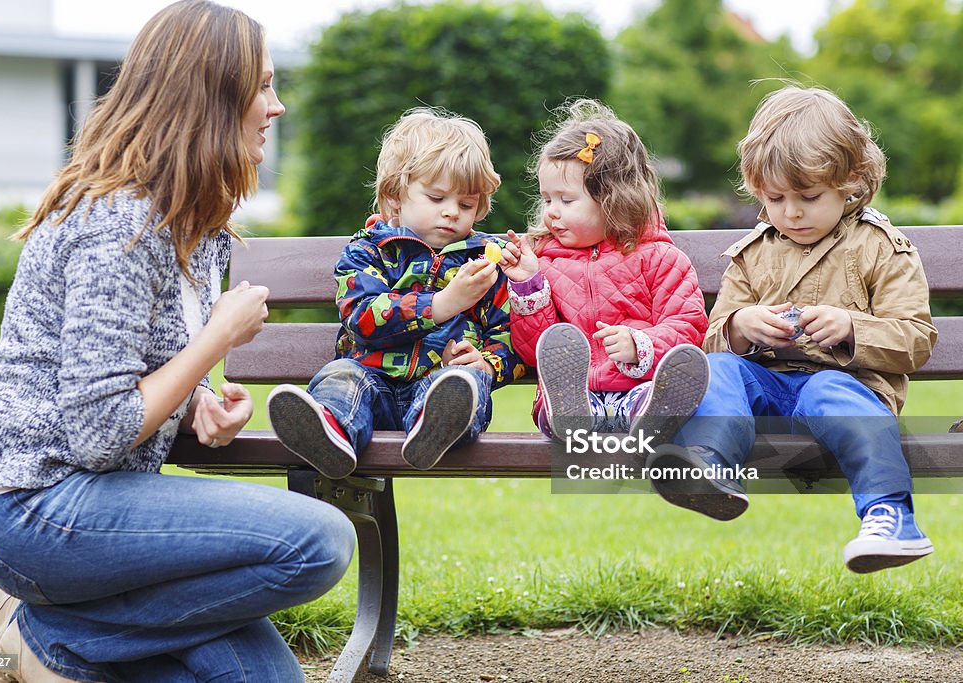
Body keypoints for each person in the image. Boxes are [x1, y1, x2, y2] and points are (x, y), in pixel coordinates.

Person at [0, 2, 355, 681]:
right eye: (261, 86)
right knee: (319, 541)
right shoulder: (120, 223)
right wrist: (215, 340)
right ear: (210, 96)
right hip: (33, 506)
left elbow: (132, 368)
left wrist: (199, 400)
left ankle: (72, 644)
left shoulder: (191, 222)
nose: (277, 106)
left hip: (99, 510)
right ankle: (45, 631)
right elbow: (98, 431)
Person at [648, 85, 937, 574]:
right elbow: (714, 334)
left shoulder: (881, 247)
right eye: (776, 198)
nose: (792, 212)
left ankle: (891, 515)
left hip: (848, 388)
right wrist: (742, 326)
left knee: (829, 390)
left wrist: (851, 327)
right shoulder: (753, 253)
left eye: (808, 196)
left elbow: (915, 338)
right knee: (718, 368)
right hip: (768, 386)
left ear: (852, 180)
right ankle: (708, 465)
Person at [267, 107, 524, 479]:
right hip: (373, 386)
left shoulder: (486, 262)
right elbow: (362, 316)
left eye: (466, 204)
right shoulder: (368, 251)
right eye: (437, 199)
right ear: (395, 196)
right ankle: (330, 436)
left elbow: (511, 334)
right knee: (341, 375)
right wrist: (442, 304)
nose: (452, 212)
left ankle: (433, 430)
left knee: (463, 384)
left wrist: (487, 362)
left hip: (438, 387)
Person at [498, 99, 710, 446]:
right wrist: (527, 284)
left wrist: (640, 347)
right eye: (547, 199)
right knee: (558, 407)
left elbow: (687, 329)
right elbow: (536, 348)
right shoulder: (545, 262)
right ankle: (570, 415)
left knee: (649, 400)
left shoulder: (659, 258)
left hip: (640, 387)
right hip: (577, 395)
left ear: (613, 199)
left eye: (566, 201)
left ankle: (652, 419)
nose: (552, 212)